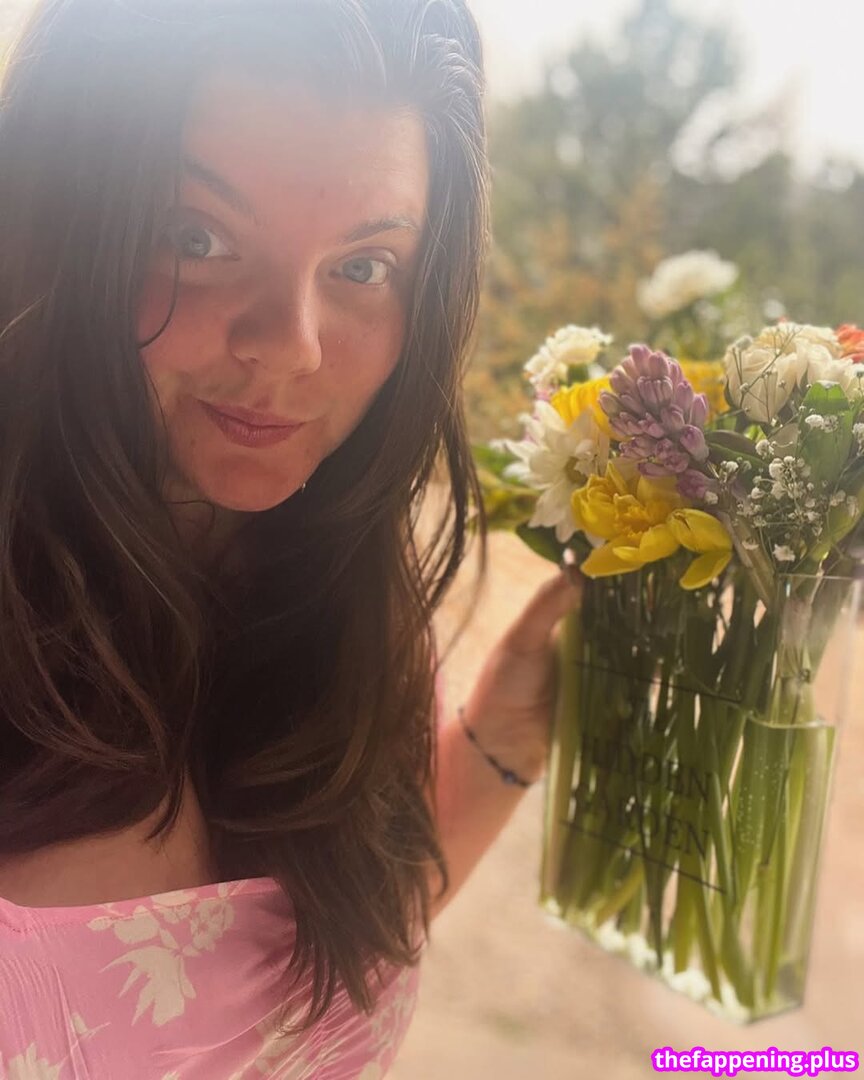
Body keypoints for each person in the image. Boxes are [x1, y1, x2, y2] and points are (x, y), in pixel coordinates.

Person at [0, 0, 580, 1075]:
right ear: (61, 222)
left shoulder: (341, 599)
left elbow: (311, 986)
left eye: (364, 266)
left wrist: (497, 745)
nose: (294, 347)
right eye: (197, 238)